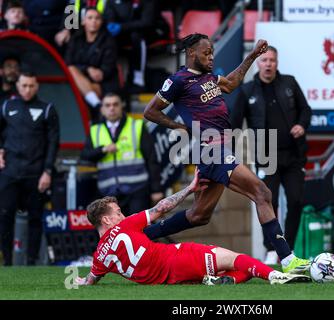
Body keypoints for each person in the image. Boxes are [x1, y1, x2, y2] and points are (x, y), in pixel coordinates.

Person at [143, 33, 310, 274]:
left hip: (220, 149)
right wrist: (180, 127)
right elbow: (150, 111)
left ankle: (143, 235)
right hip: (211, 150)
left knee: (198, 215)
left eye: (212, 53)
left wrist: (252, 56)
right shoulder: (178, 80)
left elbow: (231, 83)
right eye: (206, 53)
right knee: (262, 192)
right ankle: (287, 258)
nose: (211, 57)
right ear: (191, 53)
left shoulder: (209, 77)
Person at [75, 169, 311, 286]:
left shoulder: (100, 258)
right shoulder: (126, 226)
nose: (122, 215)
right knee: (239, 259)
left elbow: (91, 280)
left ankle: (225, 281)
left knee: (239, 269)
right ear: (106, 220)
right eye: (117, 213)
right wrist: (189, 188)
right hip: (179, 258)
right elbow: (161, 207)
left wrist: (79, 282)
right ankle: (278, 276)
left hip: (172, 279)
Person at [231, 46, 312, 265]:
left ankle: (289, 249)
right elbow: (235, 124)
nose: (268, 64)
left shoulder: (290, 83)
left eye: (272, 60)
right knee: (268, 200)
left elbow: (306, 110)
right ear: (258, 63)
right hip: (267, 157)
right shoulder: (247, 90)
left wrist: (301, 125)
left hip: (294, 154)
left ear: (277, 63)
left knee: (296, 201)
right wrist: (227, 152)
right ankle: (272, 248)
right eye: (264, 60)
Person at [0, 71, 60, 266]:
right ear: (17, 86)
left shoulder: (47, 109)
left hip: (36, 174)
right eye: (24, 85)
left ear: (37, 86)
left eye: (31, 86)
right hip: (9, 173)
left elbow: (53, 143)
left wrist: (48, 171)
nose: (27, 89)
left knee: (35, 218)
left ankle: (32, 262)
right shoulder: (7, 106)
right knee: (5, 216)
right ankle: (7, 262)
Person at [80, 92, 163, 216]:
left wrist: (156, 189)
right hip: (108, 193)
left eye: (115, 104)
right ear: (102, 109)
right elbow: (85, 155)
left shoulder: (137, 126)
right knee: (115, 232)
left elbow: (151, 158)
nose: (111, 108)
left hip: (137, 189)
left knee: (137, 231)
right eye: (107, 105)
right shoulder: (95, 130)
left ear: (121, 106)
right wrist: (102, 150)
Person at [64, 7, 119, 122]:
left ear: (101, 22)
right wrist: (87, 69)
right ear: (83, 21)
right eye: (90, 18)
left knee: (76, 84)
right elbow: (67, 62)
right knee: (71, 69)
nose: (94, 21)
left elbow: (106, 71)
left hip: (102, 84)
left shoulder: (109, 41)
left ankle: (94, 110)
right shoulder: (76, 39)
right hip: (80, 81)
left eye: (97, 18)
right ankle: (97, 106)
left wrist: (101, 72)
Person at [104, 0, 169, 89]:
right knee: (108, 37)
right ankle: (111, 78)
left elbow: (146, 22)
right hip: (129, 31)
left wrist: (122, 27)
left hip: (154, 31)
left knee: (137, 36)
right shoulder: (114, 2)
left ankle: (138, 78)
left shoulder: (148, 2)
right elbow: (111, 16)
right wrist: (110, 23)